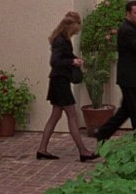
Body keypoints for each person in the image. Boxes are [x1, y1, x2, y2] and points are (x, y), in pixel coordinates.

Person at [36, 11, 99, 162]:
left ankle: (42, 150)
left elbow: (64, 57)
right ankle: (83, 151)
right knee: (72, 115)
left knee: (55, 116)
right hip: (60, 82)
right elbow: (55, 61)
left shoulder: (63, 39)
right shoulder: (61, 40)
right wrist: (72, 62)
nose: (78, 30)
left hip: (59, 81)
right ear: (71, 26)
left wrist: (75, 59)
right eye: (77, 27)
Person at [94, 0, 136, 141]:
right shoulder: (126, 29)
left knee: (126, 110)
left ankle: (103, 133)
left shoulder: (133, 28)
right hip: (130, 77)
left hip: (132, 77)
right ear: (128, 13)